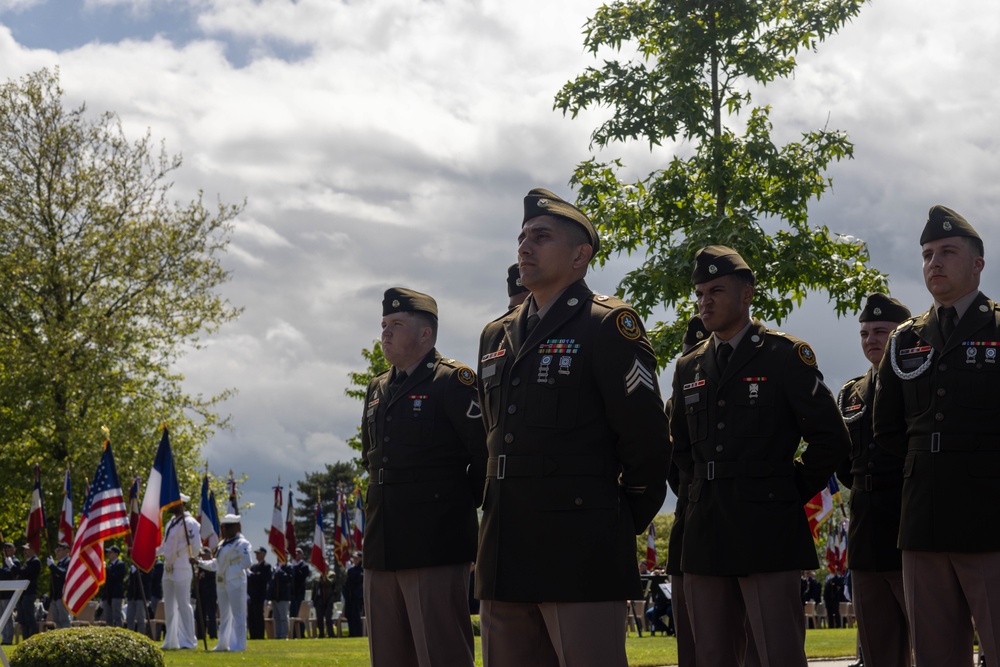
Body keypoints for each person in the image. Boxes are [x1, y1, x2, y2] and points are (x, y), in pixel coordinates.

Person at [476, 188, 670, 667]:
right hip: (505, 546)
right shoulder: (495, 334)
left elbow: (646, 442)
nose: (524, 246)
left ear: (580, 256)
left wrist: (616, 522)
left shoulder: (607, 325)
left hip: (581, 546)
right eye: (522, 237)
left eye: (541, 237)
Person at [669, 245, 850, 666]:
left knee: (777, 653)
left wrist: (786, 492)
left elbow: (831, 440)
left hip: (768, 528)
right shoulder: (688, 367)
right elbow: (678, 449)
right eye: (700, 294)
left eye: (716, 290)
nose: (705, 301)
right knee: (710, 655)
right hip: (704, 530)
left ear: (747, 294)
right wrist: (697, 494)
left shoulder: (785, 356)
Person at [873, 205, 1000, 666]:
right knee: (934, 654)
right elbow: (886, 429)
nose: (934, 263)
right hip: (923, 520)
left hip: (990, 519)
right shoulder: (906, 339)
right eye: (927, 254)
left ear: (977, 264)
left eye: (947, 252)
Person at [360, 286, 488, 667]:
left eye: (396, 324)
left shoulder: (453, 381)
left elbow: (484, 455)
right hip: (382, 542)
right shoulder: (377, 388)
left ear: (425, 334)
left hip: (435, 542)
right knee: (388, 654)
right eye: (383, 324)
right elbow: (374, 461)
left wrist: (454, 507)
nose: (385, 332)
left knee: (440, 652)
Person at [835, 293, 912, 666]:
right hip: (866, 534)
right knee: (878, 646)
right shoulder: (852, 393)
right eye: (865, 333)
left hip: (910, 526)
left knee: (933, 641)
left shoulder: (918, 384)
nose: (871, 340)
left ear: (903, 335)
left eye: (881, 331)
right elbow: (842, 465)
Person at [666, 315, 708, 666]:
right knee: (692, 648)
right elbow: (671, 465)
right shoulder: (673, 405)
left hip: (738, 519)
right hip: (688, 525)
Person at [195, 514, 252, 652]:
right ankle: (223, 643)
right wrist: (199, 563)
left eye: (224, 528)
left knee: (238, 614)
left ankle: (239, 644)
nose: (222, 531)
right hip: (221, 582)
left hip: (235, 581)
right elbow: (216, 564)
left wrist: (231, 570)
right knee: (224, 614)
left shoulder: (242, 544)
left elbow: (247, 563)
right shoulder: (221, 544)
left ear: (233, 528)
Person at [159, 493, 200, 650]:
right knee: (169, 605)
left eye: (173, 502)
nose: (170, 505)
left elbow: (196, 547)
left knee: (184, 604)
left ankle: (188, 640)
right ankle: (171, 640)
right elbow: (164, 547)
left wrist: (190, 557)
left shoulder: (190, 523)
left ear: (181, 504)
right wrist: (148, 552)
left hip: (182, 567)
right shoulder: (171, 523)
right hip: (168, 567)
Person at [313, 560, 346, 638]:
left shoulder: (331, 575)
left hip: (328, 600)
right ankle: (321, 634)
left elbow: (330, 583)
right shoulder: (316, 577)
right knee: (319, 618)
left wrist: (324, 576)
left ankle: (331, 633)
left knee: (328, 617)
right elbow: (314, 590)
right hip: (319, 600)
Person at [15, 543, 40, 638]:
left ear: (33, 550)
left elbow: (25, 574)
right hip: (22, 593)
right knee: (23, 619)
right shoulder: (27, 562)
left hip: (29, 593)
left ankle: (32, 637)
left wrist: (13, 567)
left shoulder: (35, 561)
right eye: (24, 550)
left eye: (27, 549)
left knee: (29, 617)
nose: (24, 552)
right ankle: (25, 638)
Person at [247, 546, 272, 640]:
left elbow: (263, 578)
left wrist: (253, 576)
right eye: (256, 554)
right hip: (252, 596)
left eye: (259, 553)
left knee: (258, 615)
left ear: (264, 554)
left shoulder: (266, 566)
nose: (257, 555)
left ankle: (259, 634)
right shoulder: (253, 567)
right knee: (251, 616)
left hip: (260, 595)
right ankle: (253, 634)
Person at [125, 551, 153, 635]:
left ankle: (141, 636)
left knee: (140, 618)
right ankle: (130, 636)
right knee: (130, 617)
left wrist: (137, 572)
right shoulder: (132, 567)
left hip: (141, 596)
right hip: (132, 596)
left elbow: (148, 579)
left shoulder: (146, 566)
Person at [194, 546, 217, 641]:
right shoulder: (200, 567)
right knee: (200, 615)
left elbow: (210, 574)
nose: (202, 557)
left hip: (210, 593)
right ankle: (200, 635)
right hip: (201, 593)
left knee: (211, 615)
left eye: (204, 555)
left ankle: (213, 634)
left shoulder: (213, 564)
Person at [47, 542, 71, 629]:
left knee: (64, 620)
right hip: (56, 595)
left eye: (59, 550)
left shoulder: (69, 561)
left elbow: (64, 574)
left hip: (63, 595)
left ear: (67, 551)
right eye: (56, 550)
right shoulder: (58, 563)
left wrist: (52, 566)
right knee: (57, 621)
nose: (57, 552)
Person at [103, 545, 126, 628]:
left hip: (116, 594)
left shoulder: (120, 564)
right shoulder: (109, 566)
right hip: (108, 594)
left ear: (116, 554)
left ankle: (120, 632)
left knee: (117, 616)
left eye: (110, 552)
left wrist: (106, 569)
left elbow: (116, 577)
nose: (108, 554)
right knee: (108, 617)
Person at [0, 542, 19, 644]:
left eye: (9, 548)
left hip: (9, 593)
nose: (7, 551)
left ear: (14, 550)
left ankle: (8, 639)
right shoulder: (4, 562)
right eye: (5, 549)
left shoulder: (15, 561)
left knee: (8, 617)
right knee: (2, 617)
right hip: (2, 593)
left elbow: (11, 574)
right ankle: (4, 638)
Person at [269, 558, 293, 639]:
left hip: (283, 596)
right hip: (275, 596)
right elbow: (272, 582)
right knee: (276, 617)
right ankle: (278, 635)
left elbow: (289, 578)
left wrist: (281, 572)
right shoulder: (275, 567)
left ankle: (284, 635)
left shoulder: (289, 567)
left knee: (283, 617)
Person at [289, 547, 310, 638]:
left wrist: (295, 567)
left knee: (300, 614)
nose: (296, 555)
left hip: (300, 593)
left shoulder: (304, 566)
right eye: (295, 554)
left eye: (298, 553)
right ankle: (293, 633)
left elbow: (301, 577)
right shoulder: (291, 566)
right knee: (293, 614)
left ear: (302, 555)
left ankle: (301, 633)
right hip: (292, 594)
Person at [343, 551, 364, 638]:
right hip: (350, 597)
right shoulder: (351, 570)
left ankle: (357, 633)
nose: (354, 560)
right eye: (354, 558)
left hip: (357, 596)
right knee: (349, 615)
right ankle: (351, 632)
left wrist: (351, 571)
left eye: (356, 558)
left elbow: (357, 579)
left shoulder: (362, 570)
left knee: (356, 616)